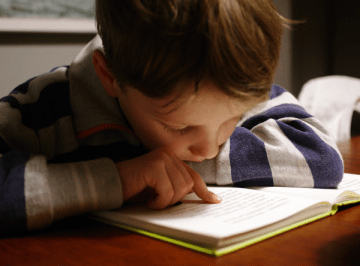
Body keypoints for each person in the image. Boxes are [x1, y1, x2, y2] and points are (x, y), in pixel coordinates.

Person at [0, 0, 343, 235]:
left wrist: (175, 167)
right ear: (110, 77)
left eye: (232, 119)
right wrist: (116, 178)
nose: (210, 149)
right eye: (179, 126)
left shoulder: (228, 80)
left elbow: (321, 156)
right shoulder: (40, 108)